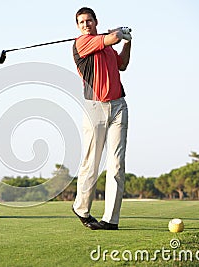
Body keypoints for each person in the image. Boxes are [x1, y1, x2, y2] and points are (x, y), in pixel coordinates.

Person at [71, 7, 132, 230]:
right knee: (92, 161)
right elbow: (113, 37)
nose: (86, 24)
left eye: (89, 21)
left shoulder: (106, 48)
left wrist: (127, 41)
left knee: (116, 164)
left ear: (96, 21)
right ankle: (81, 207)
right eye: (81, 22)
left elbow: (122, 64)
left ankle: (111, 220)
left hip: (118, 106)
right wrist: (119, 33)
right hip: (94, 107)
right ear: (78, 27)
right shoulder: (82, 43)